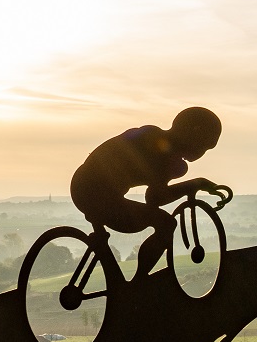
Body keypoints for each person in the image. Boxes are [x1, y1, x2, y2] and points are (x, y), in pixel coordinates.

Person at [70, 107, 231, 279]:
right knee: (166, 224)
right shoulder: (159, 147)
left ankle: (136, 283)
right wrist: (194, 184)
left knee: (159, 221)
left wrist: (193, 184)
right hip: (93, 193)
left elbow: (154, 199)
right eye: (203, 147)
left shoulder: (158, 140)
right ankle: (139, 282)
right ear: (193, 134)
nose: (201, 154)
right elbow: (155, 198)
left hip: (88, 188)